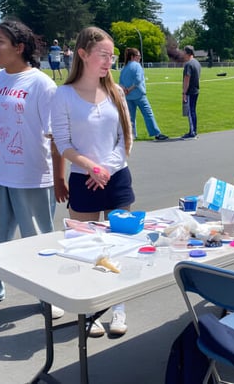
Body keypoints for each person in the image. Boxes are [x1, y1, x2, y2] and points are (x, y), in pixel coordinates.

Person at [0, 20, 67, 318]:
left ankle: (50, 294)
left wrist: (59, 178)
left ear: (19, 48)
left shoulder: (42, 84)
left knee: (38, 240)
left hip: (32, 175)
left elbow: (56, 135)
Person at [51, 26, 135, 337]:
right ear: (83, 54)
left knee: (120, 246)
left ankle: (119, 309)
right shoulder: (63, 95)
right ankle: (91, 312)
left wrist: (105, 171)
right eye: (103, 55)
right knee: (87, 249)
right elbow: (63, 141)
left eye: (112, 57)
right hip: (82, 180)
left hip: (116, 179)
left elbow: (126, 139)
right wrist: (89, 167)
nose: (109, 62)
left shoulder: (115, 93)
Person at [119, 47, 168, 141]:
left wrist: (125, 90)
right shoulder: (137, 66)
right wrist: (130, 89)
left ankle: (131, 135)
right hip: (138, 94)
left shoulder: (124, 68)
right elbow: (138, 80)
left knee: (130, 116)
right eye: (138, 55)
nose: (140, 57)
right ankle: (156, 133)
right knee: (148, 114)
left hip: (128, 96)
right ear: (133, 56)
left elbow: (120, 82)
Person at [181, 45, 201, 138]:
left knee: (190, 111)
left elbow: (187, 78)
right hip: (196, 89)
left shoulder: (188, 64)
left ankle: (192, 131)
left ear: (188, 53)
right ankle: (193, 130)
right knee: (193, 110)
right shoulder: (197, 63)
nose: (183, 54)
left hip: (190, 91)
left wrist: (184, 93)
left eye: (184, 52)